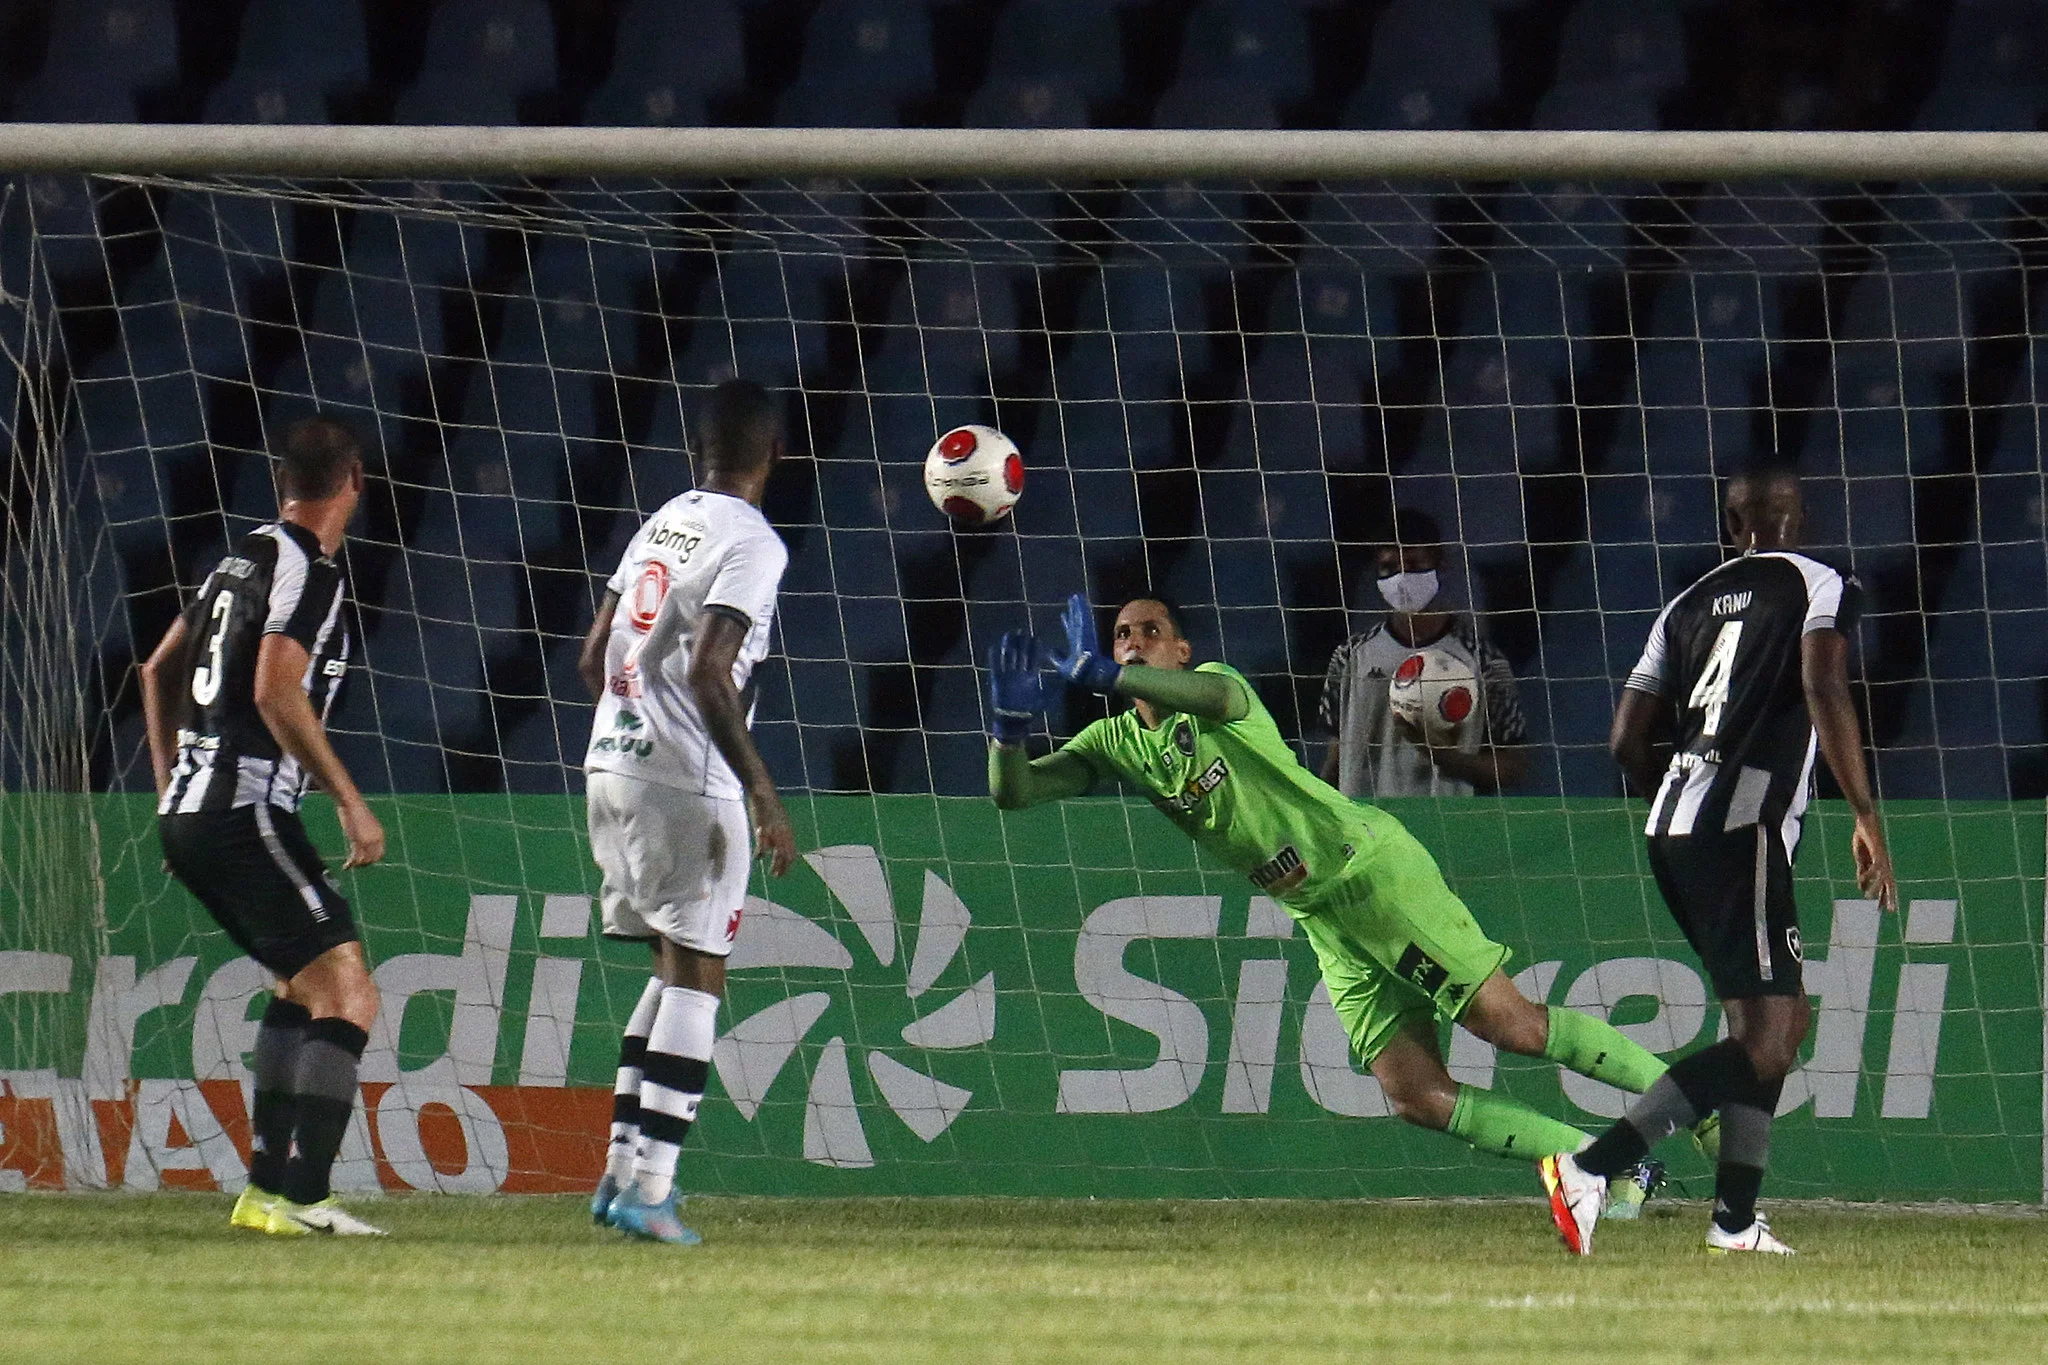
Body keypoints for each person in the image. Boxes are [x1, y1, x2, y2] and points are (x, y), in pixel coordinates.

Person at [987, 593, 1698, 1190]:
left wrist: (1108, 675)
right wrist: (1008, 731)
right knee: (1415, 1092)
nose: (1133, 642)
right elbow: (1014, 793)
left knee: (1510, 1026)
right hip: (1322, 914)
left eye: (1150, 632)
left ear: (1180, 650)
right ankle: (1607, 1173)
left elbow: (1208, 693)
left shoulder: (1216, 690)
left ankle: (1699, 1103)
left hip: (1368, 871)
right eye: (1121, 634)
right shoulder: (1116, 744)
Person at [1540, 466, 1897, 1257]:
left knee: (1769, 1021)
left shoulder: (1683, 604)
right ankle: (1591, 1168)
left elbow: (1626, 739)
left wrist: (1674, 800)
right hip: (1746, 825)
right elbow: (1822, 681)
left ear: (1732, 527)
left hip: (1674, 820)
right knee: (1770, 1037)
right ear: (1795, 521)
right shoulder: (1820, 582)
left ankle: (1735, 1220)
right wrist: (1865, 812)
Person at [141, 415, 387, 1237]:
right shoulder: (310, 572)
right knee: (348, 994)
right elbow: (277, 690)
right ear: (354, 478)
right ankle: (306, 1197)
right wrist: (349, 797)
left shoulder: (239, 554)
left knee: (300, 986)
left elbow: (157, 668)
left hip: (199, 807)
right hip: (243, 806)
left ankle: (261, 1194)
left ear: (286, 480)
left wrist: (171, 784)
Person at [579, 378, 797, 1246]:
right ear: (775, 454)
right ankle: (652, 1187)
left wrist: (631, 729)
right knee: (701, 971)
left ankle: (620, 1172)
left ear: (695, 451)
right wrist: (760, 785)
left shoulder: (661, 518)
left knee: (672, 965)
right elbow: (712, 669)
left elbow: (593, 656)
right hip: (686, 776)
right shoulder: (754, 541)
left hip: (611, 762)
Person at [1321, 509, 1528, 798]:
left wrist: (1451, 762)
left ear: (1441, 565)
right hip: (1368, 827)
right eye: (1389, 567)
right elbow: (1336, 755)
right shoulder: (1349, 657)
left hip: (1447, 826)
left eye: (1414, 564)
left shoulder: (1484, 661)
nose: (1401, 577)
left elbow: (1513, 766)